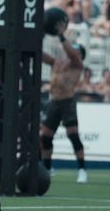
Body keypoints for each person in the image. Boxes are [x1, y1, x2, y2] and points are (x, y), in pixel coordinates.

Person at [40, 21, 88, 184]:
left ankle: (82, 170)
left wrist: (61, 35)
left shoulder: (77, 64)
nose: (72, 51)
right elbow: (42, 56)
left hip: (67, 102)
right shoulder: (57, 63)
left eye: (75, 50)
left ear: (79, 54)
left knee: (73, 135)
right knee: (45, 137)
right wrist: (39, 36)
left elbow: (73, 54)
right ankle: (47, 168)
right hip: (54, 102)